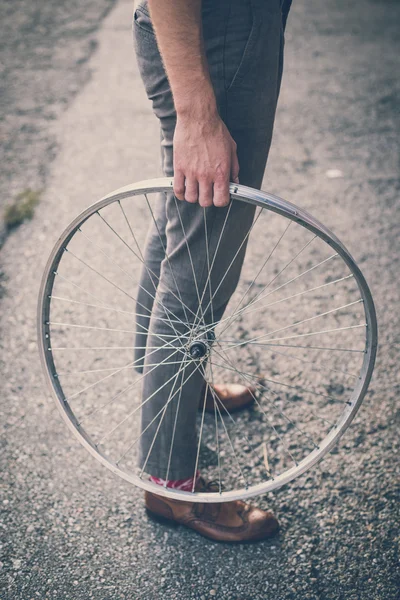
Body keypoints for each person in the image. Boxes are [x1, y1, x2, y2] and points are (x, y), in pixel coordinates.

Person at [132, 0, 292, 542]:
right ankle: (170, 483)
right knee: (203, 256)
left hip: (224, 31)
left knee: (187, 223)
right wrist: (198, 116)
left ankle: (174, 391)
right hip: (218, 37)